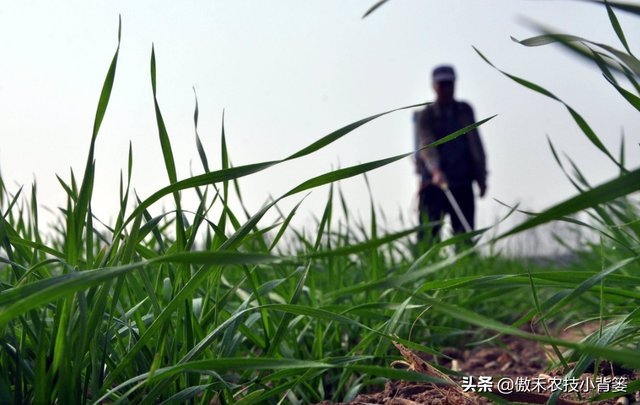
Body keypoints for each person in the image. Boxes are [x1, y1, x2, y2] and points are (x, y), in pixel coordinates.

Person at [415, 65, 487, 245]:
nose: (446, 89)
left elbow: (475, 144)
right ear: (434, 86)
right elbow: (426, 144)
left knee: (465, 238)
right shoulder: (426, 115)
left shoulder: (465, 110)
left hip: (462, 184)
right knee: (428, 239)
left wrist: (481, 177)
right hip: (434, 185)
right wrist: (435, 171)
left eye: (449, 84)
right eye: (442, 84)